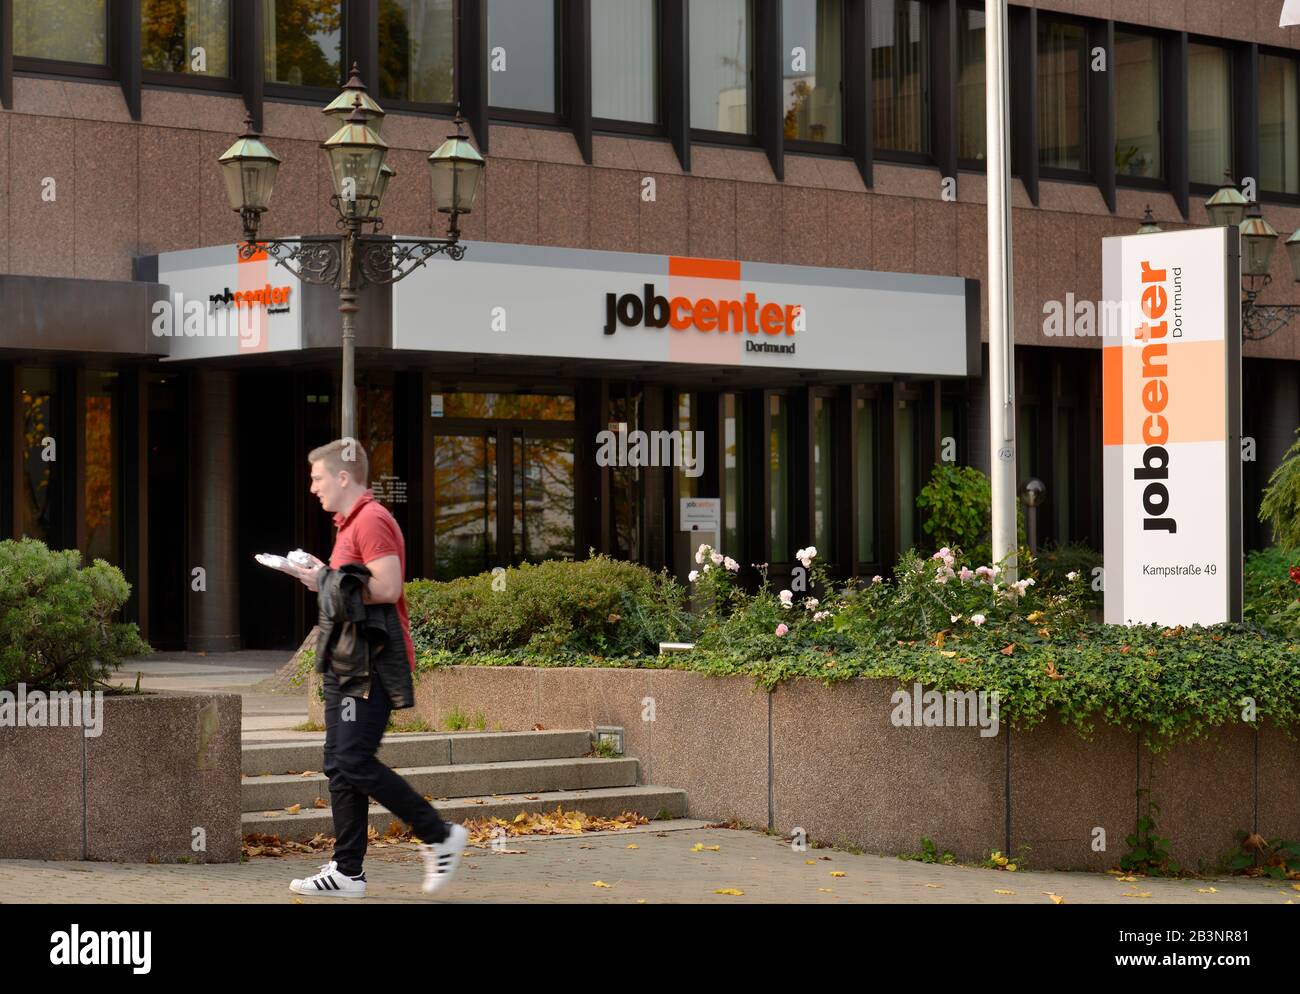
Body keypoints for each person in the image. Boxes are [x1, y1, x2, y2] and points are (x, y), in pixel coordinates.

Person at [277, 438, 468, 898]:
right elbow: (351, 586)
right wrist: (319, 574)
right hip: (347, 659)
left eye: (318, 478)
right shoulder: (349, 526)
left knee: (351, 761)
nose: (313, 488)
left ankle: (440, 835)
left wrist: (323, 578)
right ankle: (347, 873)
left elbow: (386, 586)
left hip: (373, 663)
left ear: (344, 478)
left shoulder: (374, 519)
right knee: (339, 766)